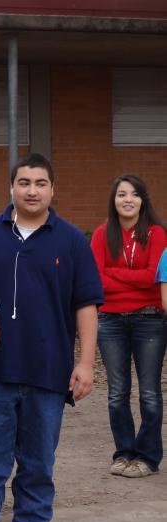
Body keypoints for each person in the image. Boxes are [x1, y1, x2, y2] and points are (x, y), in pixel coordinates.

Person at [0, 153, 103, 522]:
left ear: (53, 189)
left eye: (40, 183)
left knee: (39, 462)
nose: (32, 190)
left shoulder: (72, 240)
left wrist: (85, 363)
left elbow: (86, 305)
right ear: (11, 187)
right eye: (24, 182)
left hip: (48, 371)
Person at [91, 175, 167, 479]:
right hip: (110, 321)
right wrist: (131, 281)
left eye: (134, 194)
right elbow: (96, 279)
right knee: (117, 392)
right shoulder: (101, 234)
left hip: (150, 319)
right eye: (121, 194)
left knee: (149, 392)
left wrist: (114, 273)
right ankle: (124, 453)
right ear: (114, 200)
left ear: (143, 200)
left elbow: (153, 277)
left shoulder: (157, 234)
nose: (128, 200)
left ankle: (147, 457)